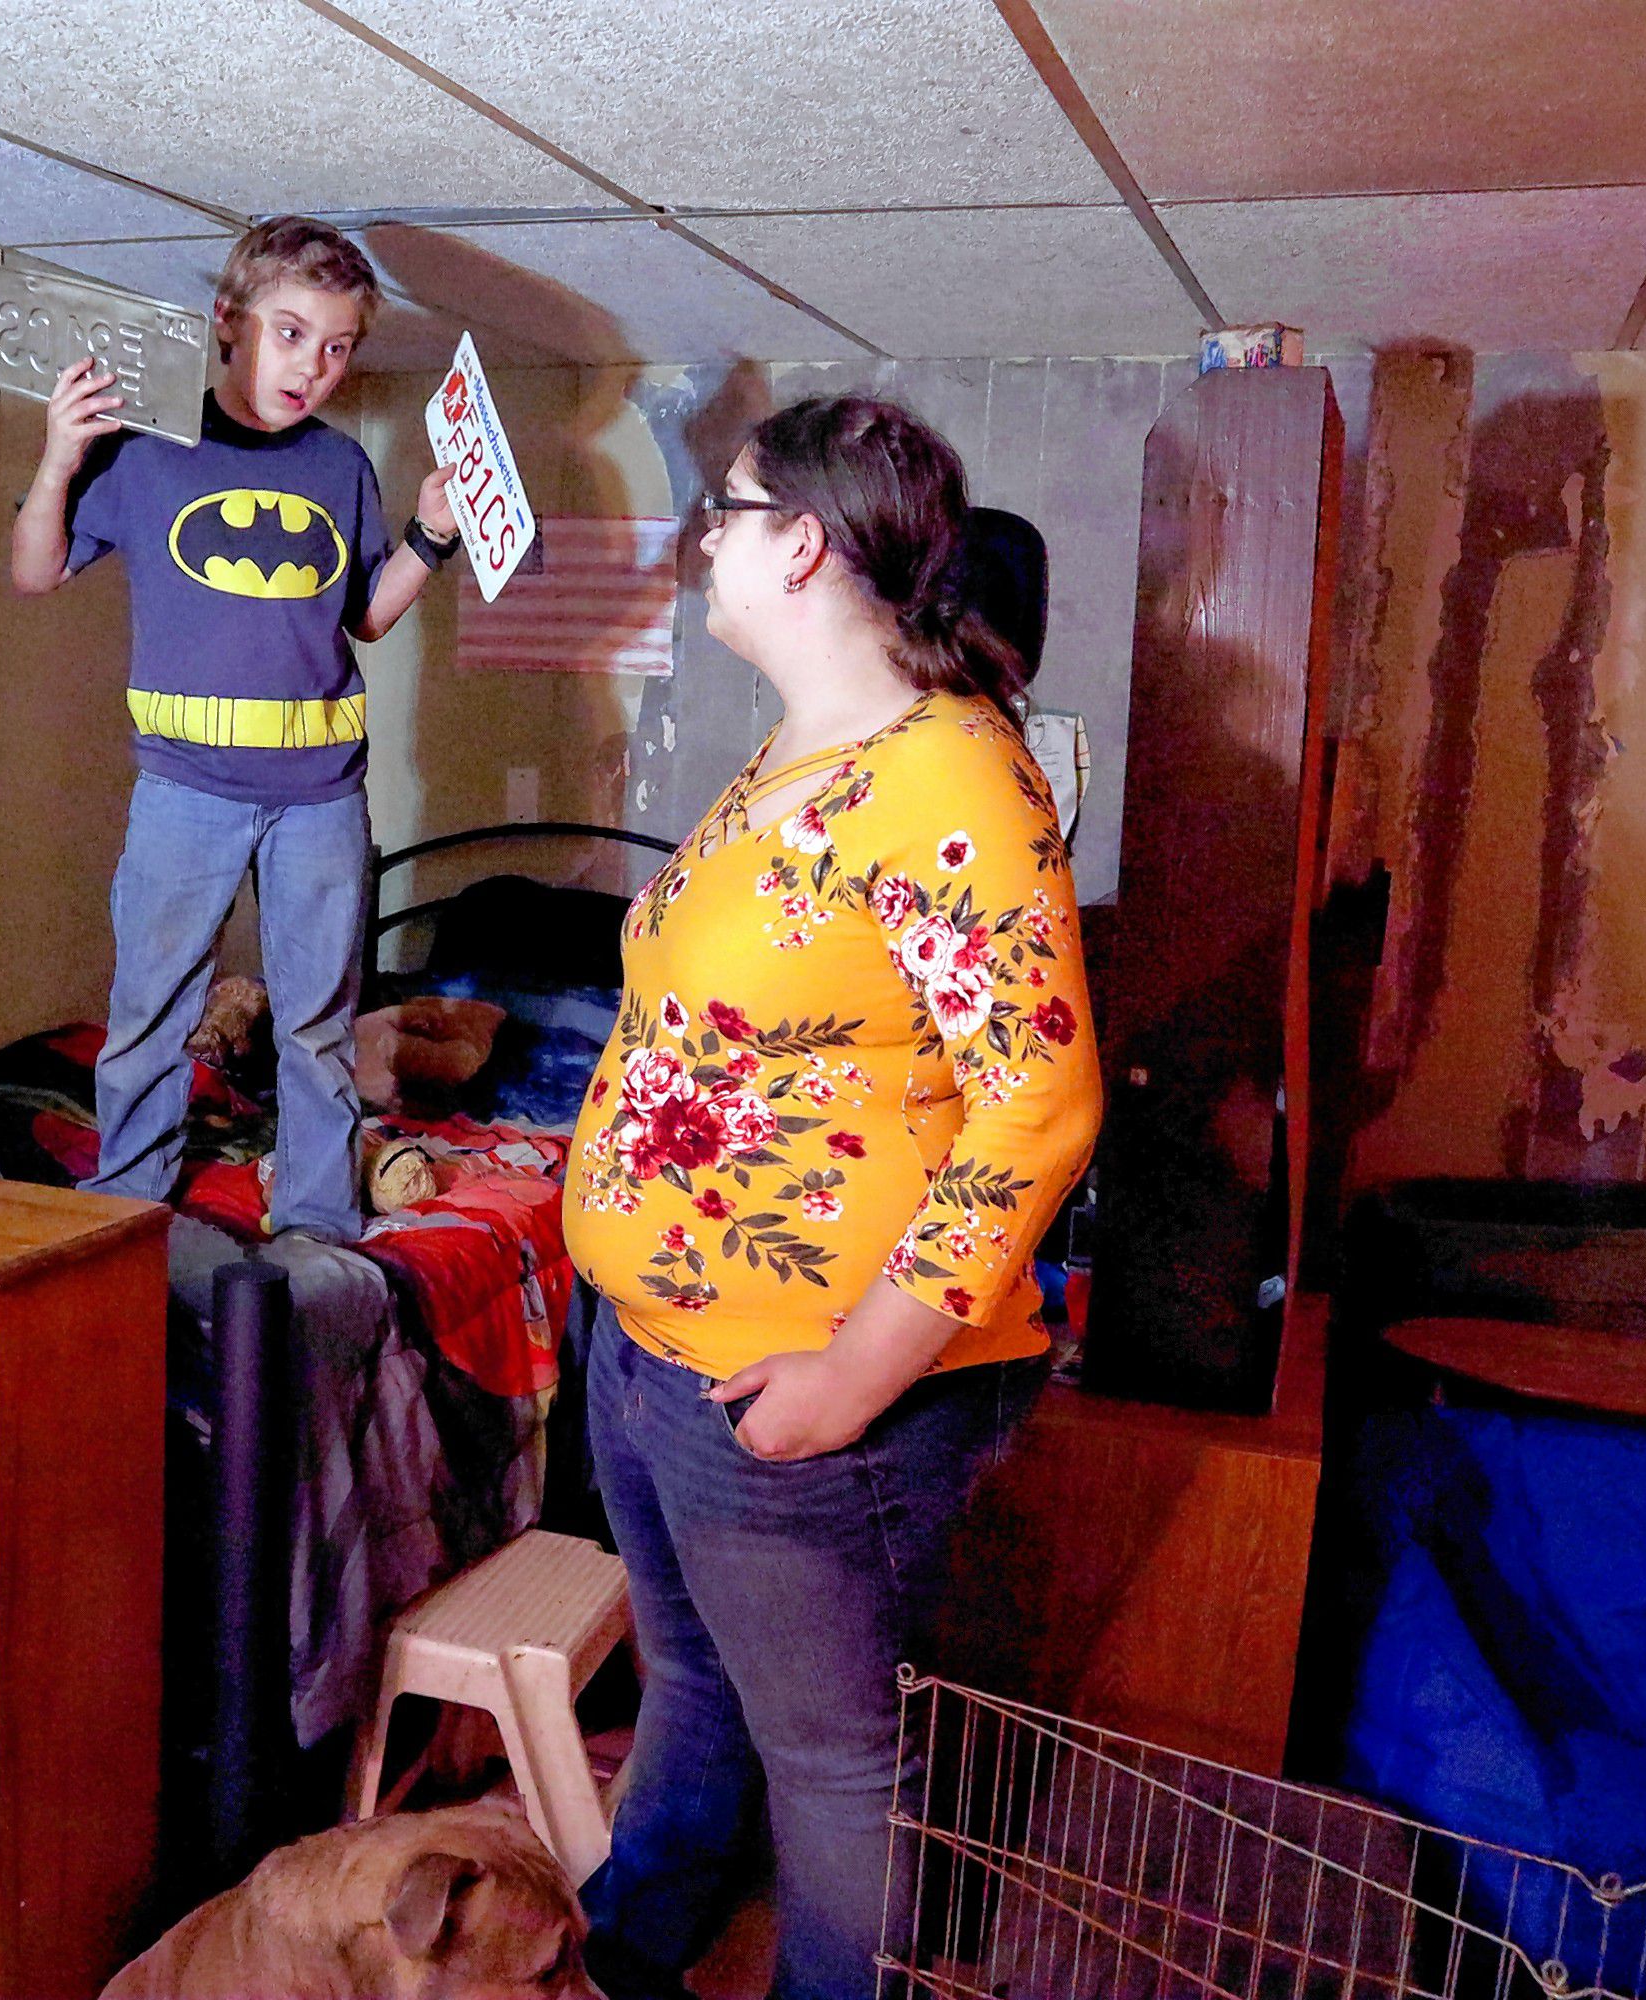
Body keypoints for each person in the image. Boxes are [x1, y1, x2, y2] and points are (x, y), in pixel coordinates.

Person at [560, 394, 1102, 2000]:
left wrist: (850, 1380)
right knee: (694, 1685)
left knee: (837, 1766)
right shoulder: (802, 742)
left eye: (724, 508)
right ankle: (624, 1952)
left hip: (798, 1391)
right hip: (652, 1348)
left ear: (800, 541)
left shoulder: (953, 781)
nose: (701, 540)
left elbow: (1040, 1105)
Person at [8, 215, 460, 1242]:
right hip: (183, 793)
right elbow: (33, 572)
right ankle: (125, 1213)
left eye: (339, 346)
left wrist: (432, 532)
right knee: (152, 1013)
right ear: (228, 320)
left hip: (320, 799)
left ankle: (315, 1223)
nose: (315, 365)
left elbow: (366, 616)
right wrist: (57, 457)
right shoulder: (146, 453)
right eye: (292, 332)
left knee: (315, 1024)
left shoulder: (342, 467)